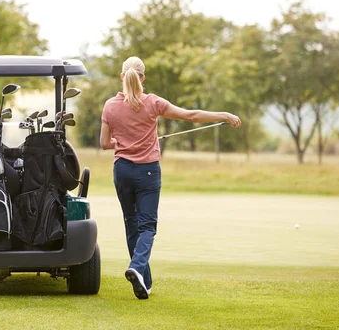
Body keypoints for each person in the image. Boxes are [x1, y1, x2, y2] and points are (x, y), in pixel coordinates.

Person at [100, 56, 241, 299]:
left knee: (131, 222)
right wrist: (223, 114)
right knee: (147, 226)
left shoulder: (110, 106)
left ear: (122, 77)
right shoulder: (153, 102)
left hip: (122, 169)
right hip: (147, 171)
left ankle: (144, 280)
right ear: (142, 78)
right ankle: (136, 268)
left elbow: (104, 143)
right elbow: (191, 115)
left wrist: (122, 142)